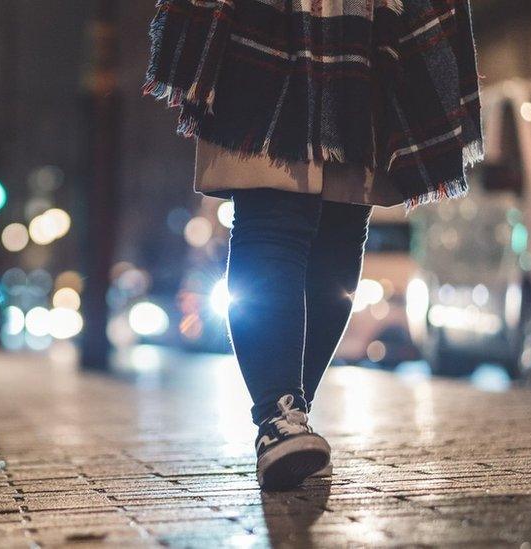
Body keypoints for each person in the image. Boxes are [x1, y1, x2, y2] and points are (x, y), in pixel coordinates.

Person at [145, 0, 483, 490]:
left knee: (342, 223)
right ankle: (278, 413)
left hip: (363, 19)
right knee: (272, 211)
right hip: (274, 19)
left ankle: (289, 412)